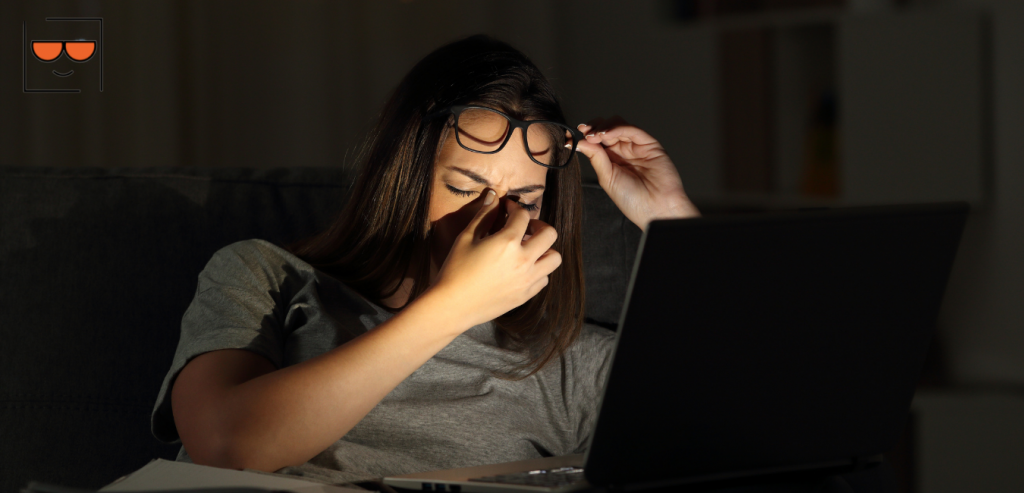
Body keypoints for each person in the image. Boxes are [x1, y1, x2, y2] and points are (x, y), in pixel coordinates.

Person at [150, 34, 699, 485]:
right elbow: (226, 445)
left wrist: (673, 222)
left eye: (525, 201)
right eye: (464, 187)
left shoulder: (567, 363)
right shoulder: (266, 277)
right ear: (404, 179)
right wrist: (452, 307)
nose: (494, 220)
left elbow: (764, 411)